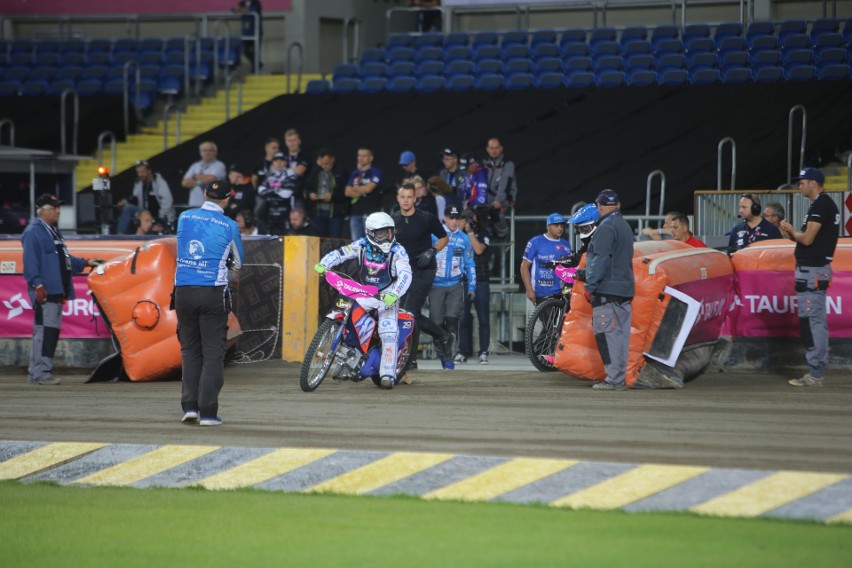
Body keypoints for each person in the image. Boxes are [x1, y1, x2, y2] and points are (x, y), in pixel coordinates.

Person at [314, 212, 412, 389]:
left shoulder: (398, 251)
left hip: (386, 296)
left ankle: (388, 374)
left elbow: (406, 274)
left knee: (388, 331)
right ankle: (347, 353)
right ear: (371, 233)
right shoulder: (361, 245)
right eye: (383, 233)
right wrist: (324, 263)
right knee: (345, 311)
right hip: (365, 292)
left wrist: (395, 293)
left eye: (389, 232)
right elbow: (341, 253)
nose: (388, 237)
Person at [174, 179, 245, 426]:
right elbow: (238, 262)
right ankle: (209, 412)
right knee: (213, 353)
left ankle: (189, 407)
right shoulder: (230, 225)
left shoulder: (184, 217)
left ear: (204, 194)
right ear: (226, 200)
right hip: (212, 291)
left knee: (190, 351)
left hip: (182, 291)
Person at [22, 194, 103, 385]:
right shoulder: (34, 231)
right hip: (46, 290)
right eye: (54, 208)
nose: (58, 211)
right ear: (42, 210)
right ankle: (41, 373)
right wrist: (37, 285)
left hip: (57, 290)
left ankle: (36, 372)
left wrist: (85, 262)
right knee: (46, 332)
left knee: (47, 331)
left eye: (58, 207)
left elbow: (64, 258)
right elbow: (30, 263)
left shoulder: (53, 231)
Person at [778, 167, 840, 387]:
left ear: (813, 183)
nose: (799, 185)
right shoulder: (823, 204)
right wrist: (793, 235)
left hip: (812, 271)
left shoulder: (822, 205)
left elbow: (807, 239)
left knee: (810, 321)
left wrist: (793, 232)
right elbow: (807, 240)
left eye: (802, 182)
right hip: (815, 270)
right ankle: (817, 369)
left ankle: (815, 373)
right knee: (815, 320)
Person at [392, 183, 453, 369]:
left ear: (415, 199)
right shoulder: (393, 220)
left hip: (424, 269)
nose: (406, 201)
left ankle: (413, 356)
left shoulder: (426, 218)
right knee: (405, 315)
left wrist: (431, 252)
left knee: (408, 312)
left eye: (409, 197)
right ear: (398, 198)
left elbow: (444, 237)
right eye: (402, 197)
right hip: (402, 272)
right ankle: (440, 336)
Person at [581, 189, 635, 391]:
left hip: (607, 290)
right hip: (626, 289)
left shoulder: (605, 227)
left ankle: (614, 380)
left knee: (607, 336)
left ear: (600, 207)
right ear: (618, 205)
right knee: (621, 337)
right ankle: (619, 377)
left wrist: (590, 285)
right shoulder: (625, 226)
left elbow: (601, 259)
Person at [430, 205, 476, 370]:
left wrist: (472, 286)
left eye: (456, 218)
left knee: (452, 322)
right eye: (451, 218)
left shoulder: (464, 238)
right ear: (444, 218)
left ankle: (450, 357)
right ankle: (442, 352)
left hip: (456, 285)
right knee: (436, 324)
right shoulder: (434, 235)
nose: (454, 221)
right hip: (436, 285)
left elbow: (470, 264)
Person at [457, 206, 491, 365]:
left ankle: (483, 352)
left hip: (481, 282)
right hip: (463, 282)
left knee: (483, 318)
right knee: (462, 318)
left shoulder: (484, 233)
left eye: (471, 217)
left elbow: (478, 250)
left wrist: (470, 232)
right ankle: (462, 351)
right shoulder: (457, 236)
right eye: (466, 218)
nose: (469, 221)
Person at [520, 213, 572, 305]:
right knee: (546, 319)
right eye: (556, 225)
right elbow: (524, 267)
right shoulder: (535, 242)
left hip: (561, 294)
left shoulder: (566, 244)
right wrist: (529, 290)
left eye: (562, 225)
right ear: (548, 226)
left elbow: (569, 269)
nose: (560, 228)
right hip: (541, 293)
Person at [117, 160, 175, 234]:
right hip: (145, 213)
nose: (140, 174)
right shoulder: (138, 182)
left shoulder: (158, 181)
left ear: (149, 171)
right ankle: (120, 235)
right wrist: (126, 201)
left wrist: (160, 216)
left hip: (159, 215)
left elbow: (168, 200)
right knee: (128, 207)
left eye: (142, 172)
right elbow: (135, 198)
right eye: (138, 172)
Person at [304, 147, 348, 238]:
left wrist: (332, 196)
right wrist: (310, 194)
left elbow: (346, 193)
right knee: (319, 240)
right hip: (318, 213)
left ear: (332, 159)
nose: (324, 166)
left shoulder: (340, 171)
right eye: (322, 164)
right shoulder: (316, 171)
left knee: (335, 240)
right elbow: (306, 188)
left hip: (335, 213)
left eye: (327, 164)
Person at [345, 147, 383, 240]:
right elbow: (347, 192)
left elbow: (369, 188)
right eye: (359, 156)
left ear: (371, 158)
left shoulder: (375, 171)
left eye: (364, 156)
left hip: (370, 213)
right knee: (356, 244)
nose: (361, 158)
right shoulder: (355, 173)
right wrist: (362, 190)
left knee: (371, 242)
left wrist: (355, 189)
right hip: (355, 213)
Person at [483, 137, 517, 239]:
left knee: (494, 210)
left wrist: (498, 201)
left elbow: (505, 185)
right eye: (491, 148)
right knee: (477, 210)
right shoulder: (485, 162)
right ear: (487, 149)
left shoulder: (508, 163)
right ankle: (487, 234)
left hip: (506, 197)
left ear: (501, 148)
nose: (494, 151)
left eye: (496, 148)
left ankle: (502, 234)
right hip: (488, 197)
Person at [257, 151, 298, 234]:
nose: (279, 163)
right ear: (273, 163)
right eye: (276, 161)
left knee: (288, 239)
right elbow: (261, 191)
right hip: (271, 213)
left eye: (281, 161)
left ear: (285, 162)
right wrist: (277, 190)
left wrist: (270, 191)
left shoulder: (290, 174)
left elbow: (287, 194)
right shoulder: (270, 175)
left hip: (286, 213)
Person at [182, 141, 227, 208]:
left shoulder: (219, 165)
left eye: (210, 150)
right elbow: (185, 183)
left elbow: (210, 180)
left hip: (212, 205)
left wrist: (194, 176)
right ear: (200, 152)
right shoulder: (195, 165)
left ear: (216, 152)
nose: (207, 152)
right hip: (194, 204)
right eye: (205, 150)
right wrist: (200, 181)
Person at [233, 0, 262, 73]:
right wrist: (238, 9)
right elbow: (233, 9)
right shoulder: (242, 3)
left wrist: (241, 9)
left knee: (256, 51)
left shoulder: (256, 3)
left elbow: (252, 10)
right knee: (245, 51)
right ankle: (259, 65)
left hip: (256, 31)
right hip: (246, 33)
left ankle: (256, 69)